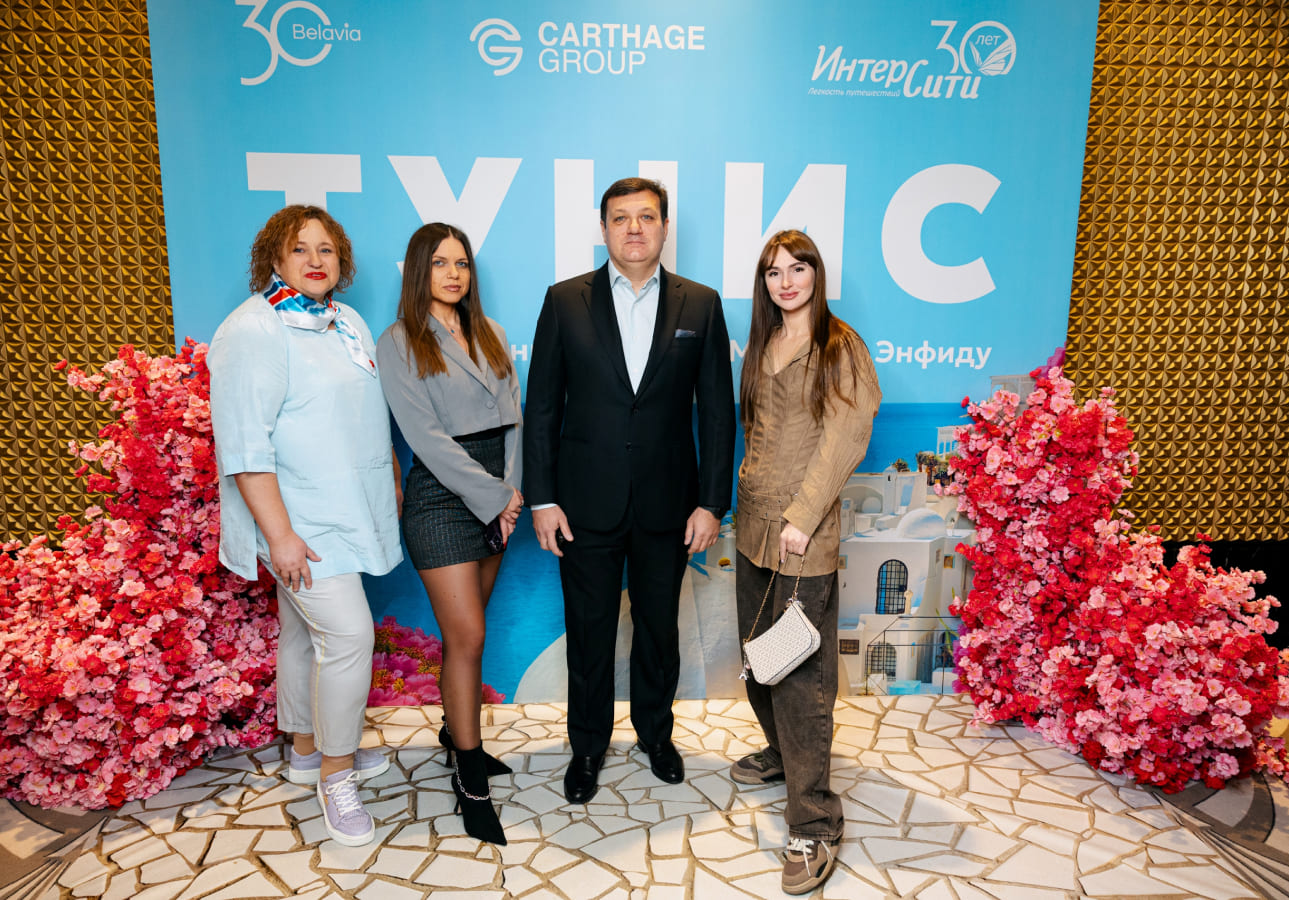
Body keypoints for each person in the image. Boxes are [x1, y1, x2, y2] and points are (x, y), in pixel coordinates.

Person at [524, 177, 736, 804]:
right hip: (583, 504)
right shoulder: (565, 301)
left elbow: (717, 413)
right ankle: (587, 747)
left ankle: (655, 735)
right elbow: (542, 408)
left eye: (646, 217)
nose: (634, 228)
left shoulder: (701, 304)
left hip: (669, 504)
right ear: (604, 229)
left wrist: (711, 502)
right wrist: (542, 499)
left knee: (658, 630)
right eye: (621, 218)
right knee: (589, 632)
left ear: (665, 227)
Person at [208, 205, 402, 848]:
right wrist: (280, 536)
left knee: (301, 634)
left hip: (347, 509)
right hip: (299, 522)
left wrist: (389, 477)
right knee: (348, 637)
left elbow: (363, 412)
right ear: (274, 259)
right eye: (299, 249)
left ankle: (305, 750)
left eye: (326, 249)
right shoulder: (254, 328)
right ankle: (336, 777)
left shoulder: (344, 320)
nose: (316, 260)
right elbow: (245, 446)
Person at [730, 229, 880, 895]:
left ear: (817, 274)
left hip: (803, 535)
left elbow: (847, 434)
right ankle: (785, 756)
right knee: (759, 660)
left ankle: (815, 821)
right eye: (773, 272)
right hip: (752, 530)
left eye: (797, 268)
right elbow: (756, 433)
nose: (785, 281)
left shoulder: (839, 345)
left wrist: (803, 514)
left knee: (800, 681)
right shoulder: (763, 342)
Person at [377, 223, 521, 846]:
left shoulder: (492, 333)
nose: (453, 274)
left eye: (461, 263)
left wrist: (511, 495)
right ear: (419, 270)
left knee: (469, 636)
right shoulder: (399, 341)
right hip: (441, 499)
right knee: (469, 636)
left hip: (499, 494)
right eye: (439, 263)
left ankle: (456, 734)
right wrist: (493, 497)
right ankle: (469, 777)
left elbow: (515, 422)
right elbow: (427, 440)